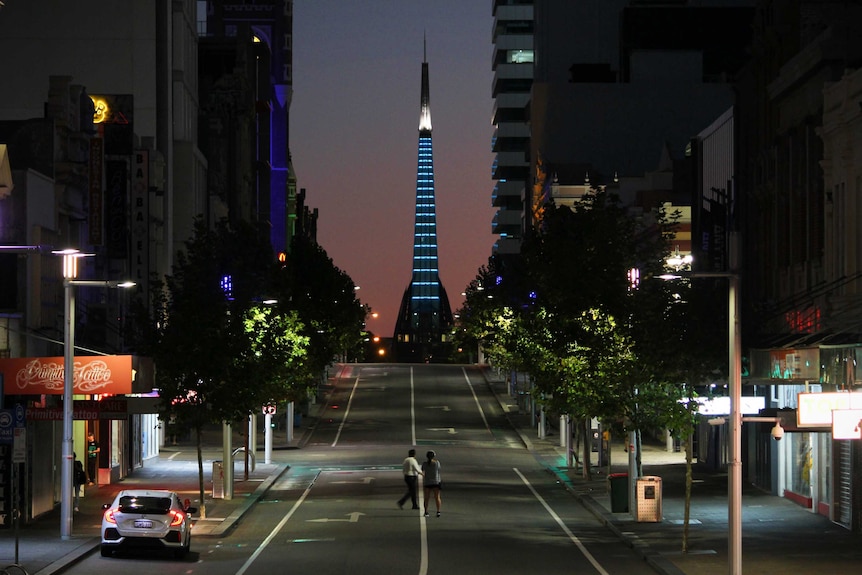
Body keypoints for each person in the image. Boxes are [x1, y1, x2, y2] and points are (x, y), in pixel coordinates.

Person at [421, 450, 442, 517]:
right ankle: (438, 511)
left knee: (426, 498)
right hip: (436, 482)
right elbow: (439, 470)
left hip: (427, 482)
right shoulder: (437, 463)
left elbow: (422, 470)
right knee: (437, 497)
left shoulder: (424, 464)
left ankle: (426, 512)